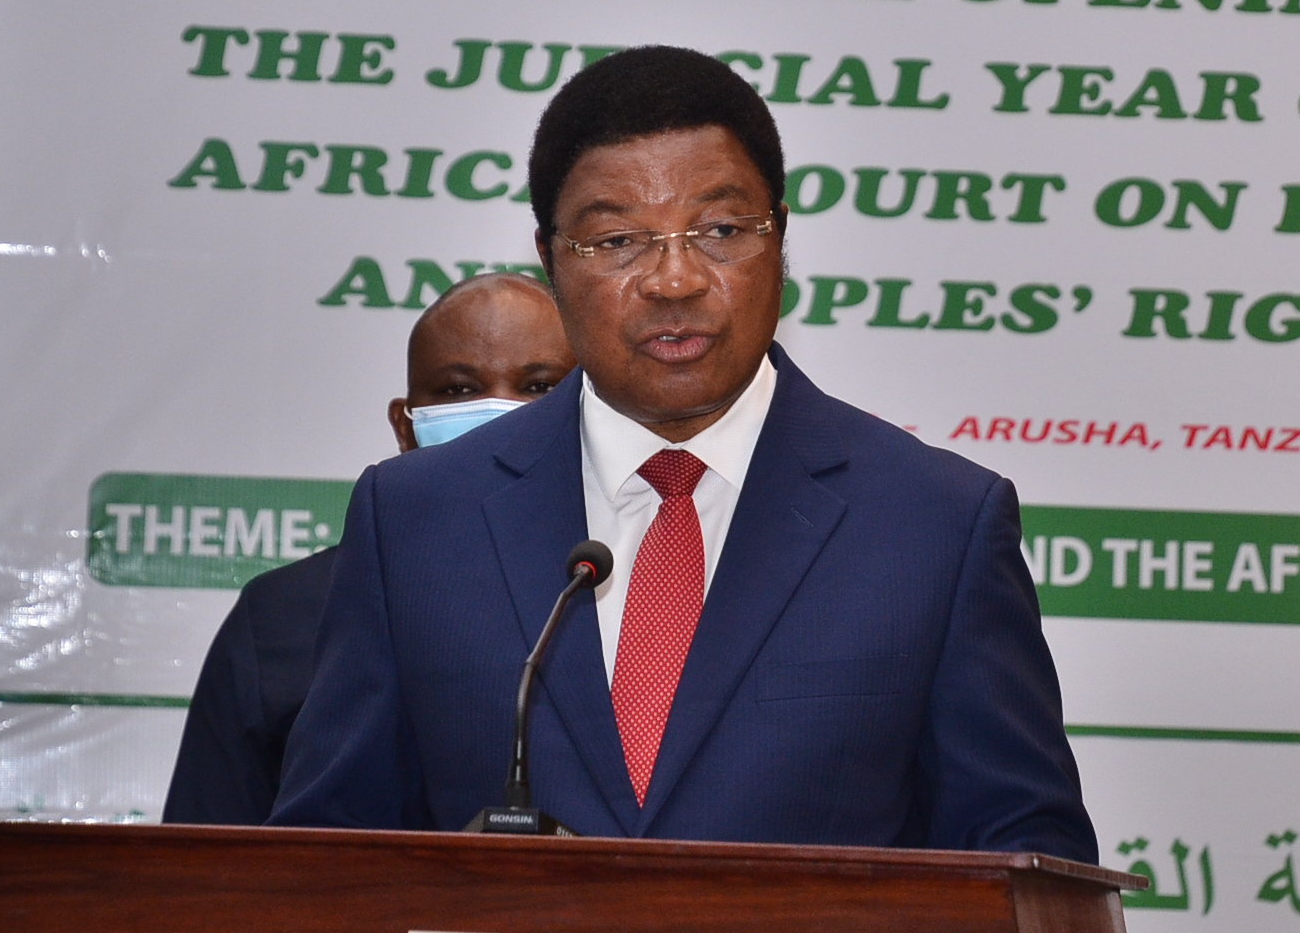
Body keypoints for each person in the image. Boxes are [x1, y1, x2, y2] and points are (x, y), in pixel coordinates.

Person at [270, 46, 1096, 860]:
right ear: (549, 260)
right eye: (617, 241)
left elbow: (1022, 863)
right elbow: (326, 861)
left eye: (721, 229)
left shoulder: (934, 526)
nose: (674, 280)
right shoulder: (417, 519)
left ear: (781, 241)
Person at [161, 273, 575, 824]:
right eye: (457, 390)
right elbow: (206, 867)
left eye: (540, 387)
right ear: (405, 429)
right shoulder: (282, 614)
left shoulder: (621, 587)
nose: (500, 415)